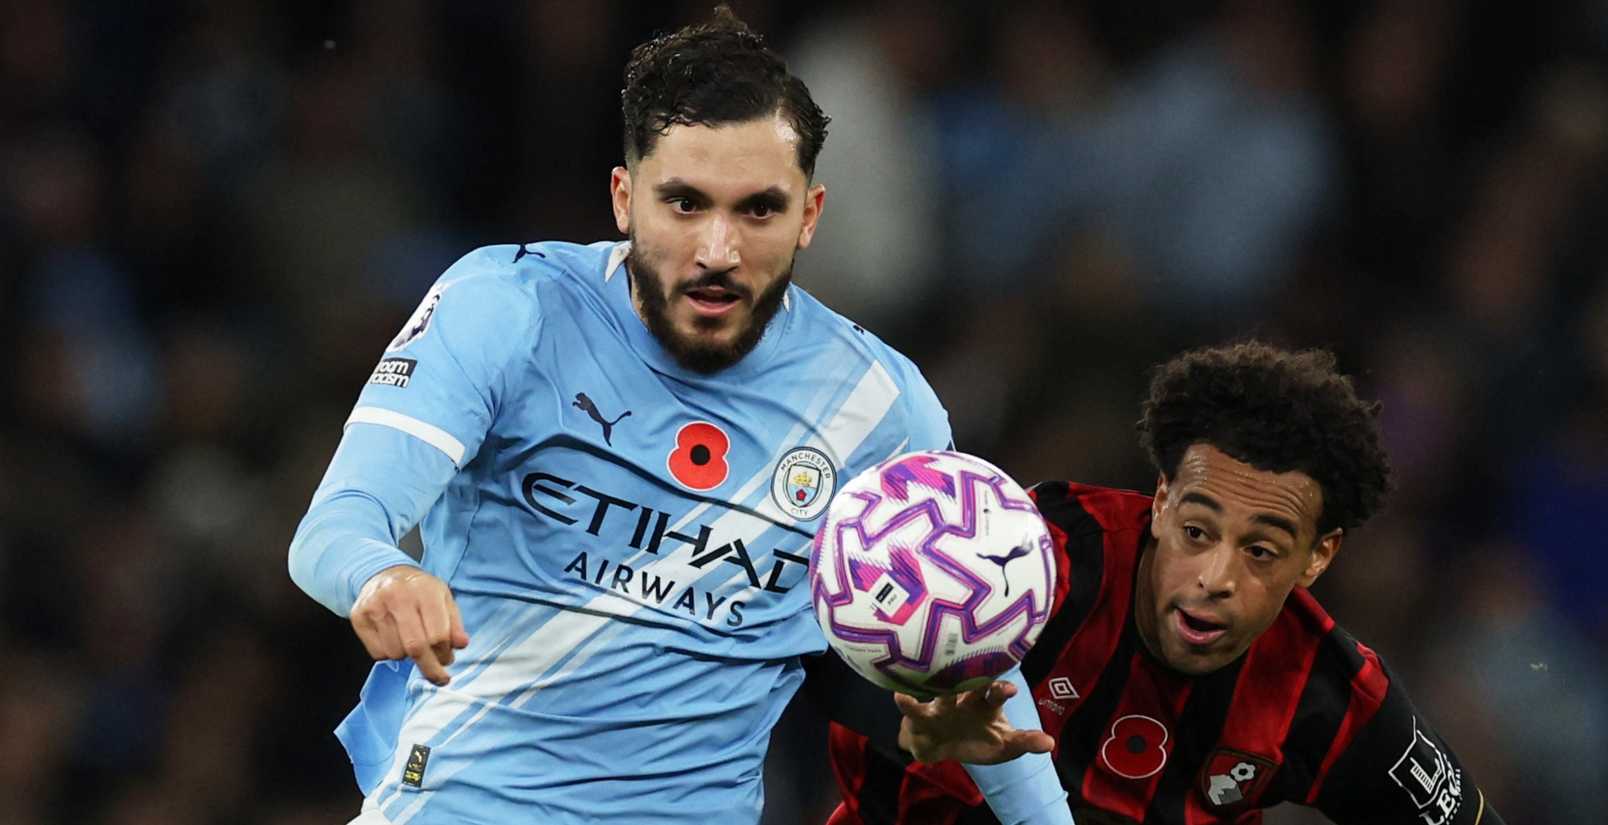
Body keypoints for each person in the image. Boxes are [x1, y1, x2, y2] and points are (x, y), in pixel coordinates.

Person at [287, 8, 1070, 825]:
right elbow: (337, 526)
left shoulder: (878, 406)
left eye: (759, 210)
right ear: (625, 199)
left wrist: (978, 748)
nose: (718, 250)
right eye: (685, 203)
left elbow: (976, 629)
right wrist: (382, 575)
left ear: (810, 214)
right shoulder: (508, 307)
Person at [828, 342, 1506, 824]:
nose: (1215, 578)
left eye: (1262, 551)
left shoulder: (1325, 692)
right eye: (1197, 532)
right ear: (1160, 501)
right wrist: (907, 726)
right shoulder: (1027, 564)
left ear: (1317, 557)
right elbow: (816, 655)